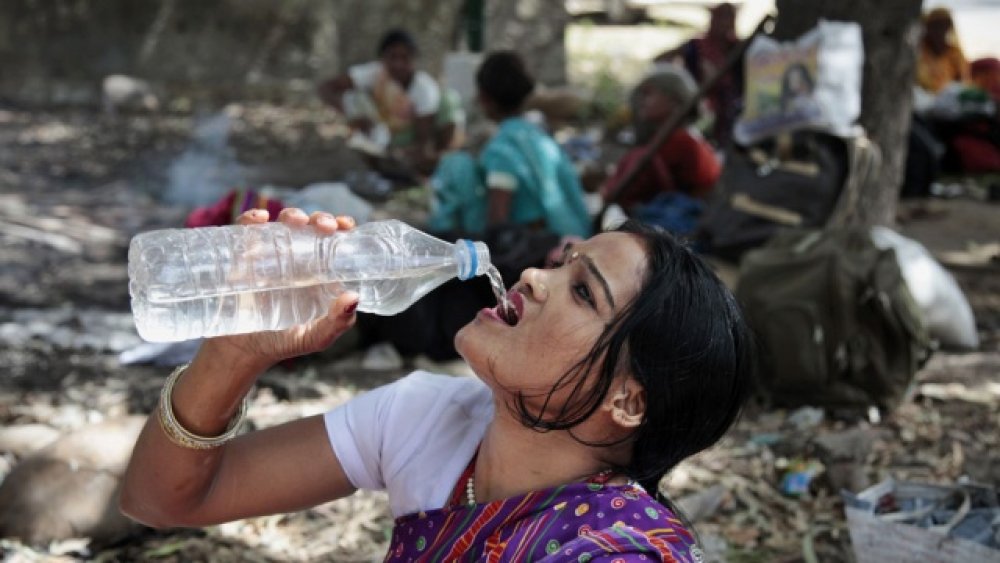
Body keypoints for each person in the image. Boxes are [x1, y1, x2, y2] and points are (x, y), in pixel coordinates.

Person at [120, 206, 755, 561]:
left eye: (583, 292)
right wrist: (234, 353)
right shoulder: (428, 416)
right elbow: (161, 501)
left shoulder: (613, 555)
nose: (533, 276)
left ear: (628, 399)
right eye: (563, 263)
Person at [427, 51, 592, 239]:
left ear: (484, 98)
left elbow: (498, 221)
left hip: (553, 248)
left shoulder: (502, 150)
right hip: (581, 236)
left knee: (456, 165)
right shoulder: (539, 136)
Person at [318, 29, 462, 174]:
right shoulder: (374, 74)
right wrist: (352, 116)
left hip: (406, 139)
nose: (398, 64)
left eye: (405, 58)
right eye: (392, 57)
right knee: (353, 97)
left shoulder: (424, 89)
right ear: (382, 58)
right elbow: (327, 88)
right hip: (378, 131)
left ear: (414, 59)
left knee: (448, 100)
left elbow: (422, 141)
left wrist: (405, 153)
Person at [601, 68, 722, 212]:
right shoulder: (673, 136)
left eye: (649, 94)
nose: (642, 101)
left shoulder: (679, 141)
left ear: (673, 100)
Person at [656, 3, 742, 147]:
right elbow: (661, 59)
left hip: (731, 108)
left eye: (729, 18)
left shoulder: (738, 48)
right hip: (701, 104)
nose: (725, 24)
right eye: (721, 18)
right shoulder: (696, 47)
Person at [916, 8, 969, 95]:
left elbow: (962, 81)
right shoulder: (919, 52)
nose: (939, 31)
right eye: (935, 26)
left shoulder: (954, 53)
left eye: (943, 26)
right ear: (927, 27)